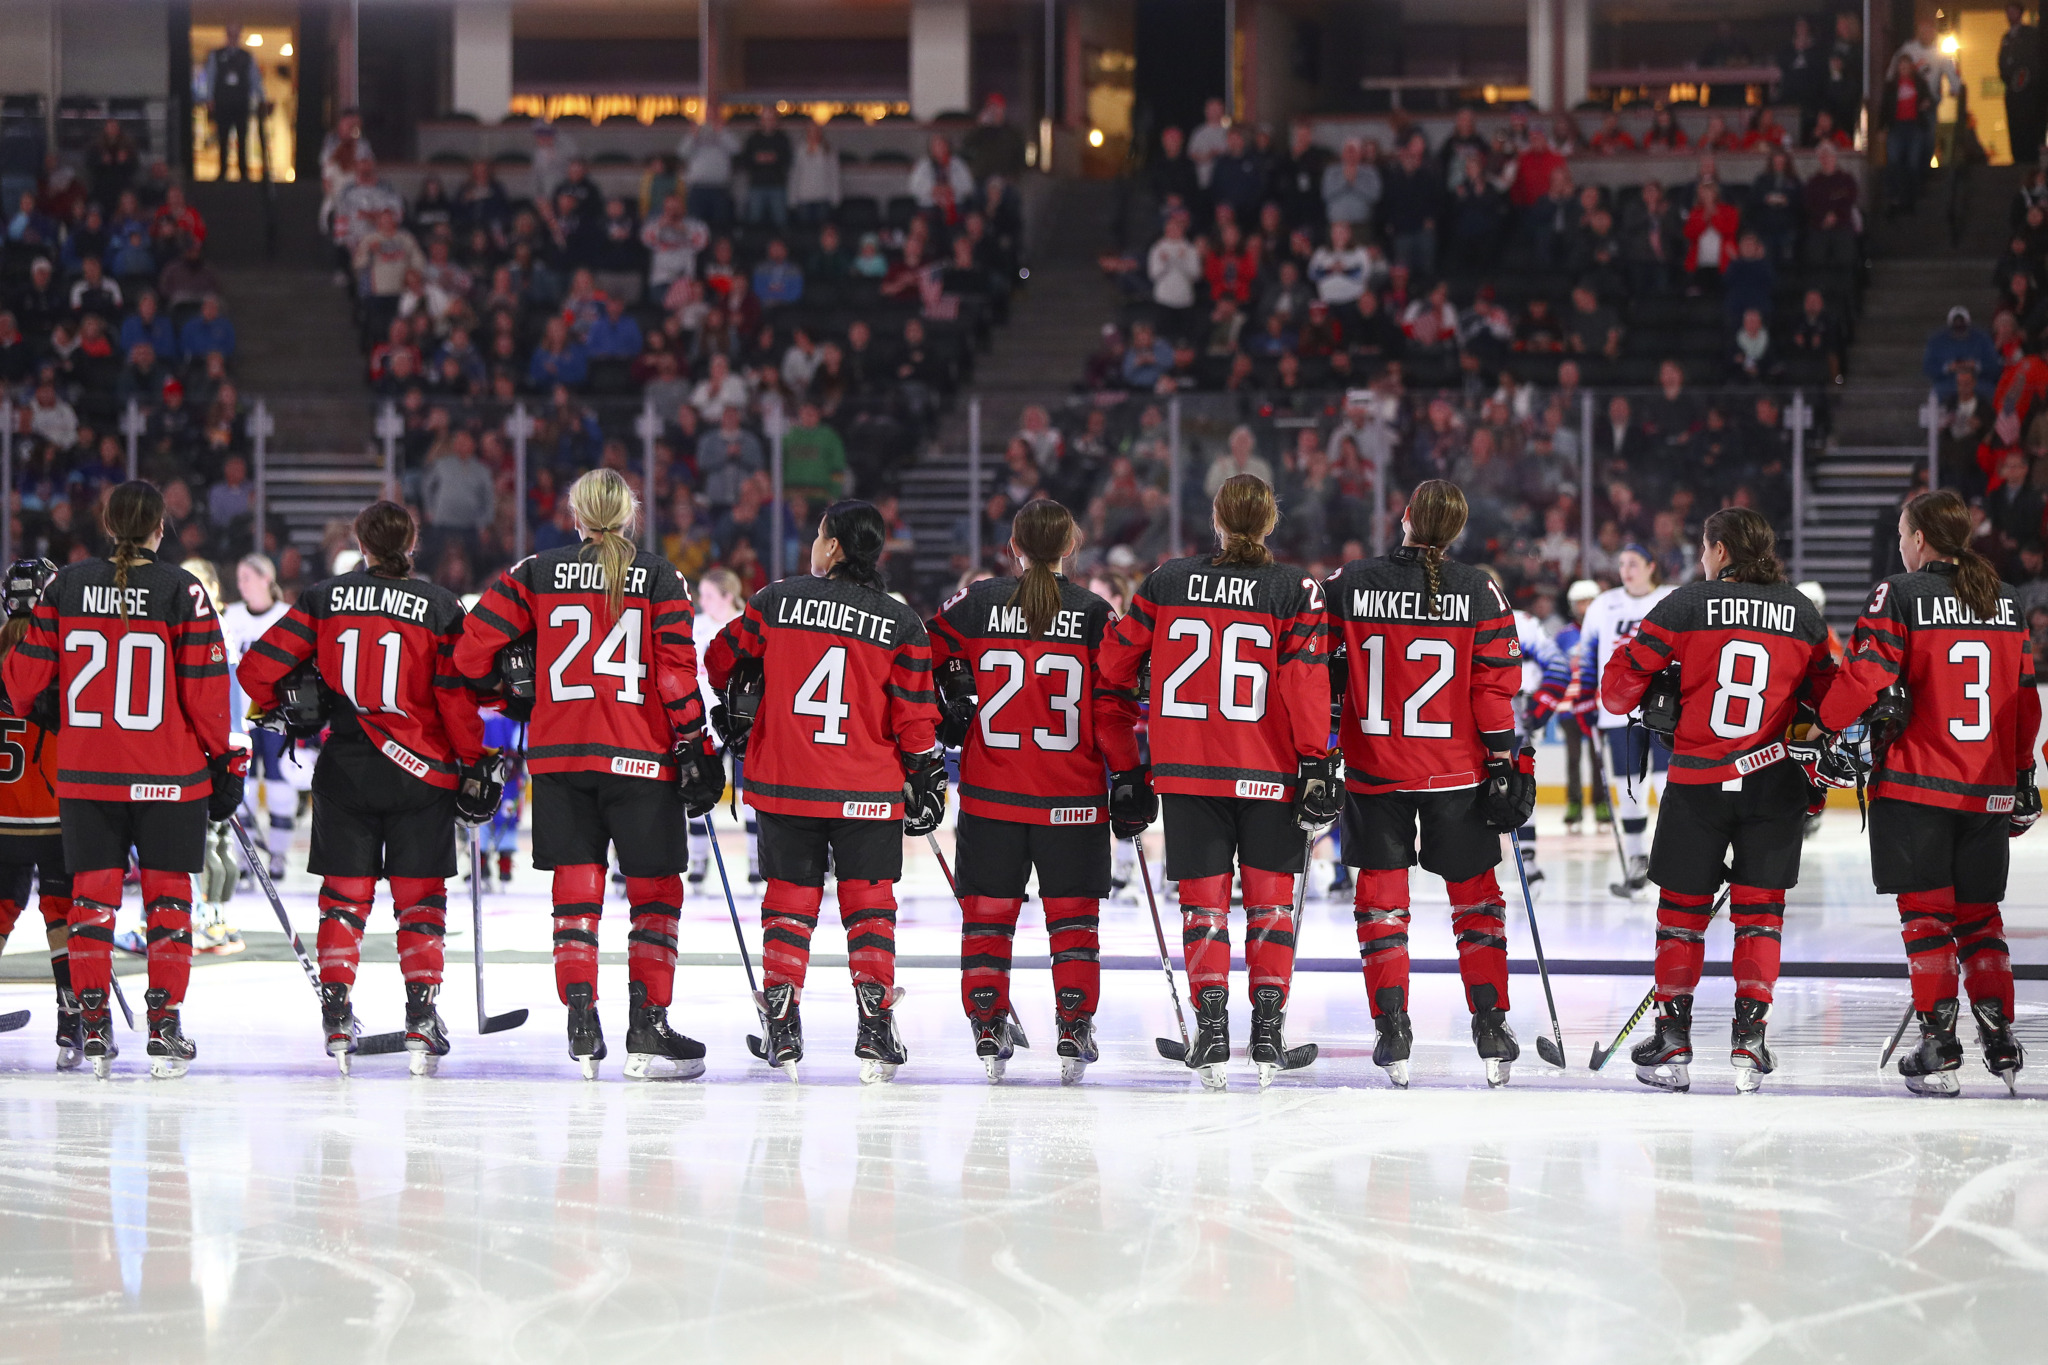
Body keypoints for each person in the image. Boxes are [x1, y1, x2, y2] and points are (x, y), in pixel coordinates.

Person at [455, 469, 720, 1081]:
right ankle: (647, 1026)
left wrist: (511, 690)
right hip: (640, 757)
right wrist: (694, 743)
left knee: (575, 892)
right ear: (630, 515)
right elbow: (676, 674)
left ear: (574, 516)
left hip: (560, 755)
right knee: (655, 896)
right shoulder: (659, 575)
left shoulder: (533, 571)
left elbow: (470, 654)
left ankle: (582, 1019)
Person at [238, 503, 495, 1076]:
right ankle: (421, 1018)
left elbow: (256, 670)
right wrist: (476, 761)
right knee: (420, 901)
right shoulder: (439, 606)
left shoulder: (323, 598)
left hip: (346, 768)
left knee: (345, 900)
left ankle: (335, 1013)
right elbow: (457, 698)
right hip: (421, 775)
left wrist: (299, 704)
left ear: (361, 542)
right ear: (413, 541)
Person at [1095, 475, 1335, 1090]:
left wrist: (1151, 674)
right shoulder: (1293, 588)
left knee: (1204, 910)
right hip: (1270, 771)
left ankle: (1210, 1031)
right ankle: (1266, 1035)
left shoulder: (1168, 579)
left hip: (1189, 771)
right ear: (1270, 522)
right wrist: (1315, 760)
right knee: (1270, 907)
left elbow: (1112, 662)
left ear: (1217, 519)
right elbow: (1305, 684)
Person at [1, 481, 239, 1079]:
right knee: (167, 905)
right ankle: (164, 1030)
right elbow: (209, 697)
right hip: (169, 778)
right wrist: (223, 764)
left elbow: (22, 684)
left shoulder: (66, 586)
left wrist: (49, 700)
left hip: (86, 777)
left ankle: (95, 1028)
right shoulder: (182, 590)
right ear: (160, 527)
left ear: (109, 527)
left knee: (91, 905)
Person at [704, 500, 946, 1084]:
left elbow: (717, 661)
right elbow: (915, 721)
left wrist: (745, 696)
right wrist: (925, 775)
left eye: (818, 533)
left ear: (834, 547)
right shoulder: (900, 621)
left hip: (786, 781)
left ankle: (782, 1025)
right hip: (867, 784)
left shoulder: (777, 600)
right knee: (870, 907)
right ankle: (874, 1026)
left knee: (789, 902)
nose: (813, 542)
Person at [1601, 508, 1838, 1094]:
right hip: (1774, 784)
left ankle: (1673, 1039)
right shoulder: (1802, 612)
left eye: (1706, 549)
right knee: (1761, 917)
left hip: (1697, 784)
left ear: (1722, 552)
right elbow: (1833, 704)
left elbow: (1615, 692)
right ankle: (1750, 1041)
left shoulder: (1686, 603)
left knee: (1680, 916)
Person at [1819, 490, 2036, 1096]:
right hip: (1987, 789)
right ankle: (2001, 1038)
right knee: (1981, 922)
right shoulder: (2007, 601)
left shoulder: (1901, 593)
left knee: (1927, 921)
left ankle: (1939, 1043)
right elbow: (2026, 701)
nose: (1899, 543)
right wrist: (2021, 777)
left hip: (1917, 785)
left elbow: (1865, 675)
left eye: (1901, 532)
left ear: (1920, 539)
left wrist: (1823, 726)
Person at [1322, 481, 1529, 1088]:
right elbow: (1493, 690)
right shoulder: (1479, 589)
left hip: (1373, 772)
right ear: (1458, 529)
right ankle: (1490, 1023)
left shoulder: (1351, 582)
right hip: (1456, 775)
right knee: (1478, 905)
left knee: (1381, 909)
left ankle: (1392, 1028)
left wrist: (1319, 744)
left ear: (1405, 517)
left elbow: (1316, 668)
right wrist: (1502, 762)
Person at [927, 499, 1119, 1084]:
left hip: (992, 794)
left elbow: (916, 654)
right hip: (1074, 797)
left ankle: (987, 1023)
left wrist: (949, 704)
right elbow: (1113, 704)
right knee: (1073, 920)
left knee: (986, 917)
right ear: (1072, 545)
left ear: (1014, 545)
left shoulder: (980, 601)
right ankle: (1072, 1026)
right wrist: (1132, 774)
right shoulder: (1093, 612)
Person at [0, 558, 78, 1067]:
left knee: (2, 908)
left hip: (2, 818)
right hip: (56, 814)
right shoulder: (66, 652)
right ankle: (74, 1022)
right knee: (63, 914)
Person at [1575, 545, 1678, 894]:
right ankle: (1637, 861)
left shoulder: (1671, 598)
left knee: (1668, 785)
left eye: (1633, 563)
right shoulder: (1604, 604)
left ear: (1652, 565)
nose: (1625, 570)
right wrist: (1584, 701)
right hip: (1618, 712)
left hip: (1664, 709)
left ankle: (1675, 857)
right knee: (1629, 787)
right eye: (1620, 564)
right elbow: (1587, 656)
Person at [685, 567, 755, 885]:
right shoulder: (695, 627)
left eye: (710, 596)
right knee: (701, 792)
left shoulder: (746, 627)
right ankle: (698, 862)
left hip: (742, 728)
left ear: (728, 596)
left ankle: (756, 862)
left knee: (747, 796)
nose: (703, 601)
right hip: (705, 727)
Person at [201, 24, 263, 181]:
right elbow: (211, 77)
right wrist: (209, 99)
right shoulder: (216, 55)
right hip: (223, 103)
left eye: (236, 34)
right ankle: (223, 171)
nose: (233, 37)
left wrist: (261, 98)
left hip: (241, 103)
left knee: (243, 137)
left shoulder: (247, 56)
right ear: (227, 35)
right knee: (223, 137)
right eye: (231, 34)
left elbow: (254, 79)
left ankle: (243, 171)